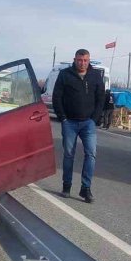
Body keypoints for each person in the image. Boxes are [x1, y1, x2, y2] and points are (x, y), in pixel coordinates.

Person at [52, 49, 105, 203]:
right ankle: (66, 186)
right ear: (74, 59)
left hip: (88, 123)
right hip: (70, 122)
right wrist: (63, 118)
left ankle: (85, 188)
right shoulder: (65, 75)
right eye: (80, 60)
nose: (82, 63)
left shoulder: (95, 76)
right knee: (69, 155)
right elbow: (57, 97)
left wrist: (94, 119)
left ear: (89, 61)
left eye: (85, 60)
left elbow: (101, 97)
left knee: (91, 154)